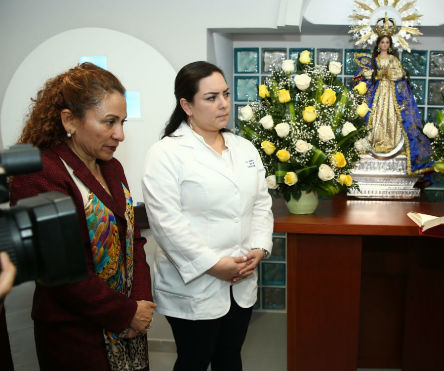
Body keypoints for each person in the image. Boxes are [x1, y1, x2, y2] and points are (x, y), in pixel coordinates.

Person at [9, 63, 155, 371]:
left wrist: (140, 306)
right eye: (109, 122)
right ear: (69, 120)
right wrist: (125, 312)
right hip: (75, 336)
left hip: (129, 326)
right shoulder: (40, 174)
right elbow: (60, 274)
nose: (121, 134)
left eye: (122, 122)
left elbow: (133, 240)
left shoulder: (111, 167)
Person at [142, 61, 273, 371]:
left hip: (240, 278)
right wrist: (213, 265)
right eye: (211, 97)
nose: (224, 103)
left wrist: (258, 247)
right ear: (186, 104)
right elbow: (166, 223)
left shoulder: (244, 148)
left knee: (230, 357)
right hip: (194, 284)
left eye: (226, 94)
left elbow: (260, 204)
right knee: (194, 360)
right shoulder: (165, 153)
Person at [354, 33, 433, 175]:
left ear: (389, 45)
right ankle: (377, 142)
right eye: (382, 42)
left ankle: (392, 142)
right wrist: (378, 74)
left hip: (392, 94)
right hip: (378, 94)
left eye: (387, 42)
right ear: (378, 44)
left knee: (393, 117)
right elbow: (367, 74)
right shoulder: (375, 60)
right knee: (377, 117)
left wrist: (388, 72)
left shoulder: (393, 59)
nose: (384, 45)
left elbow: (400, 73)